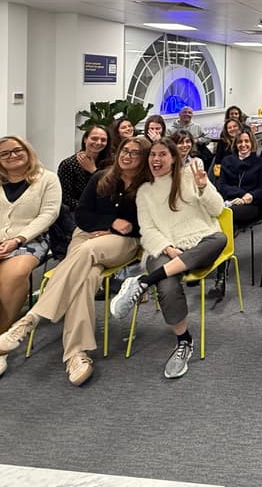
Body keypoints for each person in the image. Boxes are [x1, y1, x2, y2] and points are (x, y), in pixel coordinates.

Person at [0, 136, 150, 384]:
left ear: (144, 158)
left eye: (135, 153)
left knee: (86, 251)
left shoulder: (150, 186)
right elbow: (81, 214)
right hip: (86, 234)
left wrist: (113, 228)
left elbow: (147, 224)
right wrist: (108, 222)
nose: (127, 156)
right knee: (85, 278)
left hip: (124, 241)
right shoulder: (101, 177)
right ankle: (76, 354)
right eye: (125, 150)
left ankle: (30, 320)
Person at [110, 138, 226, 380]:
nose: (156, 159)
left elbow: (217, 210)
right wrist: (168, 248)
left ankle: (144, 281)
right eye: (153, 155)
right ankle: (184, 341)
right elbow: (148, 230)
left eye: (162, 154)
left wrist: (204, 187)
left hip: (200, 241)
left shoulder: (189, 177)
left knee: (220, 239)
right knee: (167, 284)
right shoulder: (145, 191)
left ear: (173, 158)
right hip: (164, 248)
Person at [0, 136, 61, 377]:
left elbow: (49, 214)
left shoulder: (47, 179)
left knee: (14, 275)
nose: (12, 156)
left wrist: (17, 239)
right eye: (5, 153)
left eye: (17, 150)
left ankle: (2, 341)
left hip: (30, 240)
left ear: (27, 151)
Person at [211, 129, 262, 299]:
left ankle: (219, 273)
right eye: (240, 142)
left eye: (246, 141)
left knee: (225, 219)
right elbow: (222, 186)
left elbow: (261, 188)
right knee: (229, 223)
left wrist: (247, 197)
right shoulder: (227, 161)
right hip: (231, 204)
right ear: (235, 144)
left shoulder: (259, 162)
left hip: (252, 205)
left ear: (252, 143)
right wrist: (239, 195)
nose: (243, 145)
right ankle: (221, 276)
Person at [57, 126, 111, 213]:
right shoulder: (69, 164)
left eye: (103, 140)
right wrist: (88, 208)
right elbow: (65, 198)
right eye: (94, 138)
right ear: (85, 139)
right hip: (76, 212)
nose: (98, 142)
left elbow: (110, 190)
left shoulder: (111, 163)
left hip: (104, 210)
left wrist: (93, 171)